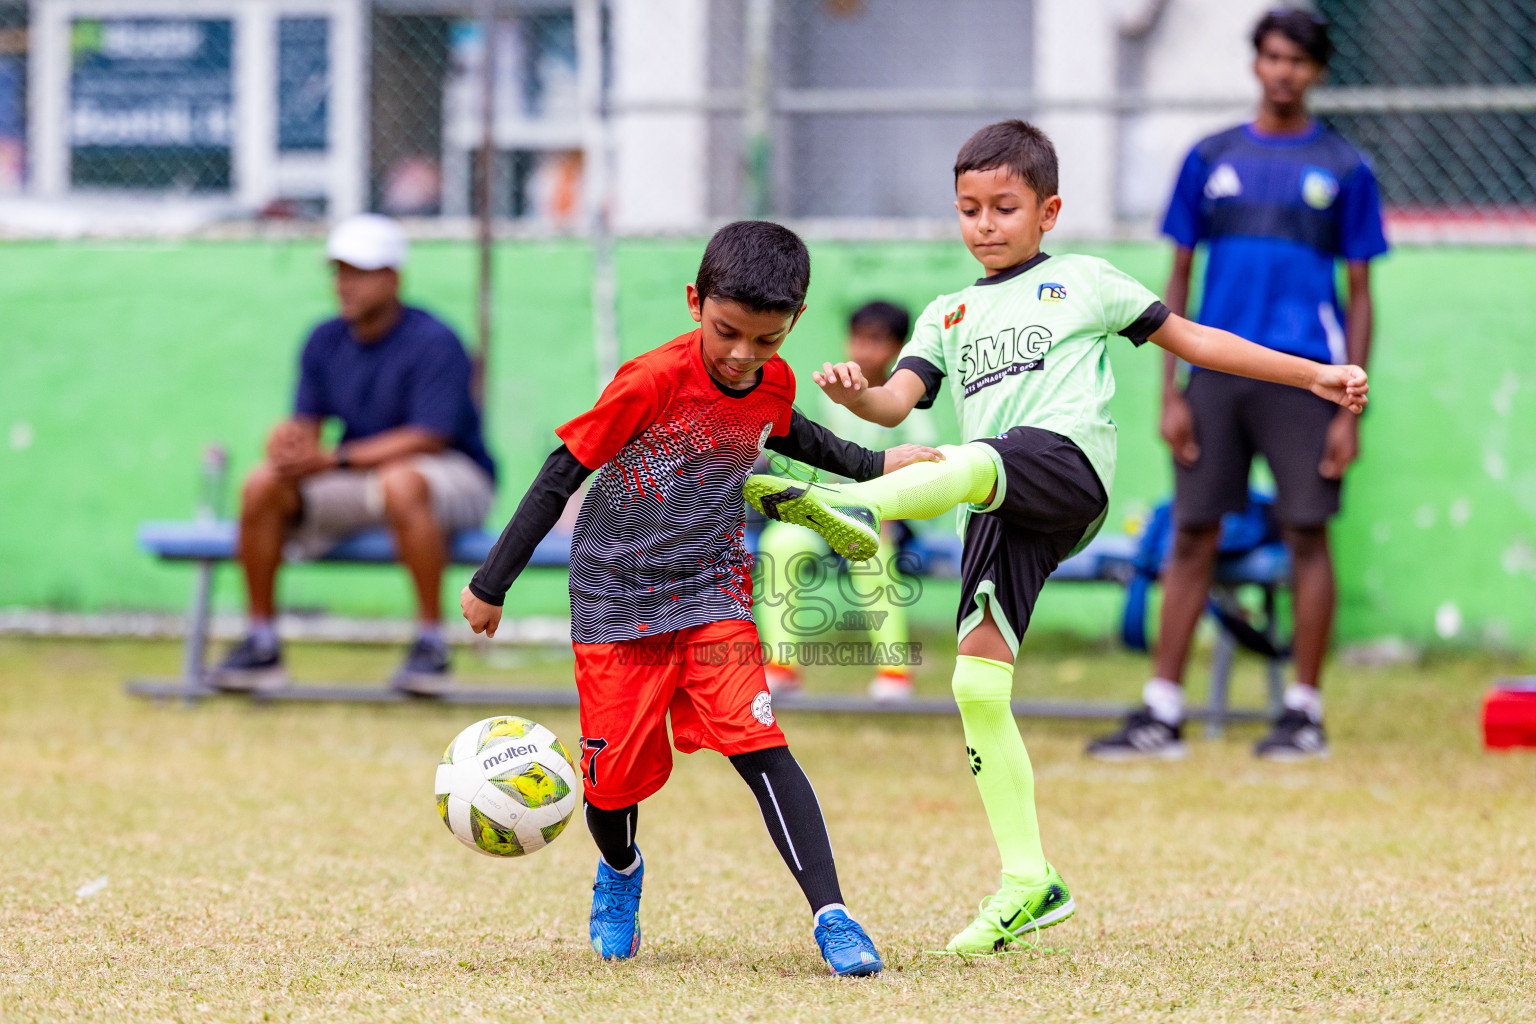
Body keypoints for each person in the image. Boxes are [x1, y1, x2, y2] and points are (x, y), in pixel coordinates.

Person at [743, 119, 1368, 954]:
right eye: (969, 208)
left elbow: (1200, 341)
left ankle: (858, 508)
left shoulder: (1085, 281)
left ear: (1049, 211)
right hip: (995, 507)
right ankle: (1029, 880)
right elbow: (899, 404)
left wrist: (1315, 373)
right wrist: (857, 397)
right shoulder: (947, 313)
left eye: (1005, 207)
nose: (986, 224)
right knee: (975, 687)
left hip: (1065, 471)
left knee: (972, 457)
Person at [459, 221, 942, 976]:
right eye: (727, 332)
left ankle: (833, 915)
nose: (744, 354)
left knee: (760, 746)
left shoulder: (772, 381)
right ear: (695, 302)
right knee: (612, 782)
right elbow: (562, 471)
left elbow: (795, 432)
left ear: (793, 324)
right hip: (614, 598)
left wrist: (879, 460)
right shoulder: (650, 381)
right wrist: (493, 584)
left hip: (711, 588)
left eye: (767, 340)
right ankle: (620, 874)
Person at [1087, 9, 1387, 762]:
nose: (1283, 71)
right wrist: (1171, 391)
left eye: (1297, 60)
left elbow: (1359, 296)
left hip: (1305, 380)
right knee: (1191, 534)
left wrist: (1352, 404)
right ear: (1256, 63)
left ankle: (1304, 714)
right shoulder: (1209, 158)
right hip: (1214, 379)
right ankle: (1162, 712)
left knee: (1306, 536)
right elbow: (1177, 280)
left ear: (1317, 70)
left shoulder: (1345, 168)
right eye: (1272, 57)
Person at [211, 214, 497, 695]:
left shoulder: (436, 341)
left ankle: (431, 643)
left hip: (455, 474)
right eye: (339, 271)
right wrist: (287, 447)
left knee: (402, 481)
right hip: (362, 476)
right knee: (261, 485)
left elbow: (430, 437)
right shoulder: (323, 339)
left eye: (360, 272)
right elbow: (307, 428)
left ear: (393, 278)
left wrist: (333, 459)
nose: (345, 284)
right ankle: (261, 643)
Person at [756, 300, 935, 702]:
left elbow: (923, 464)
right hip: (824, 508)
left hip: (883, 515)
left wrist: (890, 508)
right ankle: (781, 665)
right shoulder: (825, 393)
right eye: (857, 338)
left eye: (876, 341)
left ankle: (894, 671)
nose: (864, 349)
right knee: (778, 544)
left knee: (873, 551)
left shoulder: (906, 402)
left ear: (898, 349)